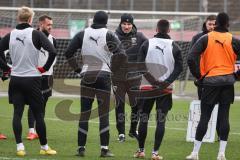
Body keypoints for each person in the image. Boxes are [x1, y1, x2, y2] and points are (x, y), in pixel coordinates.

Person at [65, 11, 124, 157]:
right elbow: (122, 54)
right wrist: (113, 69)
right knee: (103, 114)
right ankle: (104, 149)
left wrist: (78, 69)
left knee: (84, 113)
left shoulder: (81, 34)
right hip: (104, 75)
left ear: (93, 20)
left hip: (87, 75)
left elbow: (68, 53)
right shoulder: (109, 34)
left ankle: (81, 148)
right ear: (106, 21)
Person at [0, 6, 57, 156]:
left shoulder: (10, 35)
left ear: (18, 18)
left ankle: (19, 147)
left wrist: (6, 67)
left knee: (17, 113)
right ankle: (44, 147)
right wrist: (44, 68)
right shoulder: (36, 34)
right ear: (31, 19)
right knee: (38, 114)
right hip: (32, 79)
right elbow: (53, 51)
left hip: (16, 79)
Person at [186, 12, 240, 160]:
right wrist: (236, 76)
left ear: (215, 24)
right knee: (224, 117)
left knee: (205, 117)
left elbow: (190, 58)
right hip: (228, 82)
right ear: (228, 24)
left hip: (210, 82)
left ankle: (195, 153)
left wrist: (199, 76)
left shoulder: (206, 38)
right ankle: (221, 153)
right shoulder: (234, 40)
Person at [134, 19, 183, 160]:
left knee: (143, 119)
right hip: (165, 89)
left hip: (146, 87)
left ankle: (141, 151)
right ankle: (155, 153)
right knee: (161, 121)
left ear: (156, 29)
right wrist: (166, 82)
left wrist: (152, 81)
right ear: (168, 30)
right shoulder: (175, 46)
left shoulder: (146, 43)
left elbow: (139, 66)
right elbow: (180, 68)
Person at [113, 13, 147, 142]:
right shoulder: (113, 36)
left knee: (136, 105)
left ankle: (133, 130)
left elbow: (149, 48)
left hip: (135, 77)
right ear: (120, 23)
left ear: (132, 25)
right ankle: (121, 133)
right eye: (124, 24)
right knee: (119, 105)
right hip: (118, 78)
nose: (126, 26)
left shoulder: (140, 36)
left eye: (129, 24)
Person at [27, 14, 57, 140]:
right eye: (48, 24)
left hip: (48, 76)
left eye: (51, 25)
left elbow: (53, 57)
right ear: (41, 24)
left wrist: (48, 69)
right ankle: (31, 131)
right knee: (33, 103)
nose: (50, 27)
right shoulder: (32, 36)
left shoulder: (53, 39)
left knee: (44, 103)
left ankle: (39, 129)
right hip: (35, 76)